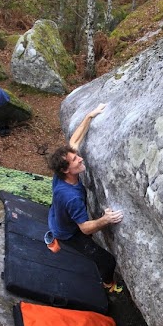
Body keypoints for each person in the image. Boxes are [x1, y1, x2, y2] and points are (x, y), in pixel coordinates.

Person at [48, 103, 123, 292]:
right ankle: (108, 285)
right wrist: (106, 219)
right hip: (68, 233)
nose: (80, 159)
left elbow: (74, 141)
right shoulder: (71, 198)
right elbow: (85, 228)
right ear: (67, 170)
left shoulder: (61, 175)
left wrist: (90, 116)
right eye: (75, 160)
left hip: (58, 216)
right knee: (107, 261)